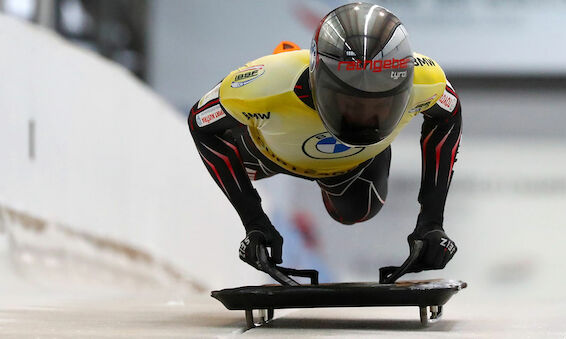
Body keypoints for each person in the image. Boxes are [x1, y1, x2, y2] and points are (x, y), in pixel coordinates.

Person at [188, 3, 461, 278]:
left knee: (356, 211)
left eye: (379, 104)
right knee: (228, 153)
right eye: (350, 103)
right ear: (316, 79)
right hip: (262, 151)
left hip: (349, 164)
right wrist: (253, 219)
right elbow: (201, 122)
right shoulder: (265, 85)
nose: (363, 117)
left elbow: (449, 115)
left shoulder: (427, 81)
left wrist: (432, 221)